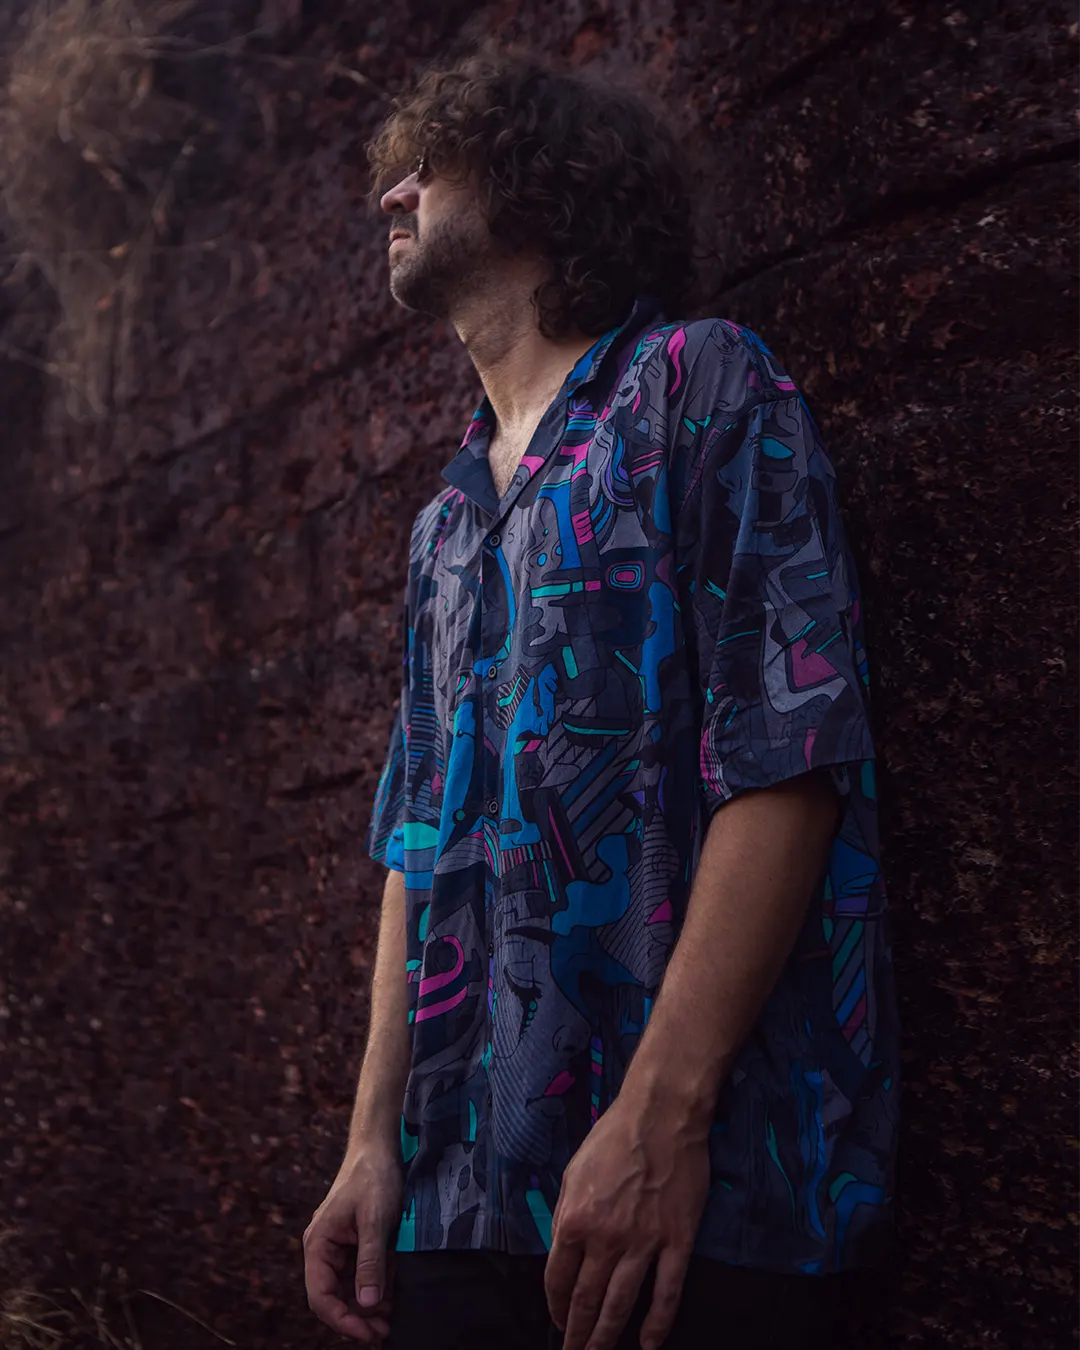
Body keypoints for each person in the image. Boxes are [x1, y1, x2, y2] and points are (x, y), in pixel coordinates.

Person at [303, 47, 900, 1350]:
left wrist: (660, 1117)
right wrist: (369, 1145)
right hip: (456, 1212)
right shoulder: (443, 523)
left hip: (706, 1197)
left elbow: (790, 757)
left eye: (423, 165)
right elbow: (416, 845)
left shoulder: (702, 388)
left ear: (533, 184)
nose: (385, 197)